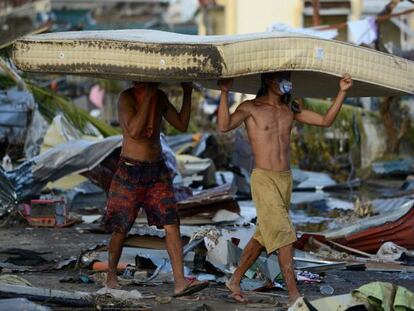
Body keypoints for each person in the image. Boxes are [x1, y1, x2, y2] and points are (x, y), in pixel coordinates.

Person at [217, 72, 353, 305]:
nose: (285, 82)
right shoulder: (251, 107)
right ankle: (293, 294)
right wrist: (224, 92)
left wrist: (342, 91)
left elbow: (325, 121)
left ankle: (235, 280)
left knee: (263, 236)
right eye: (281, 77)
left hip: (285, 180)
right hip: (264, 179)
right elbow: (223, 125)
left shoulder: (290, 109)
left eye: (287, 77)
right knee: (284, 235)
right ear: (267, 80)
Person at [103, 81, 209, 297]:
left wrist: (187, 93)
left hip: (157, 171)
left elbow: (181, 124)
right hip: (130, 171)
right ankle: (111, 275)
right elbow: (134, 131)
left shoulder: (159, 96)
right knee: (121, 226)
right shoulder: (127, 97)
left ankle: (180, 282)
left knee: (172, 223)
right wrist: (149, 95)